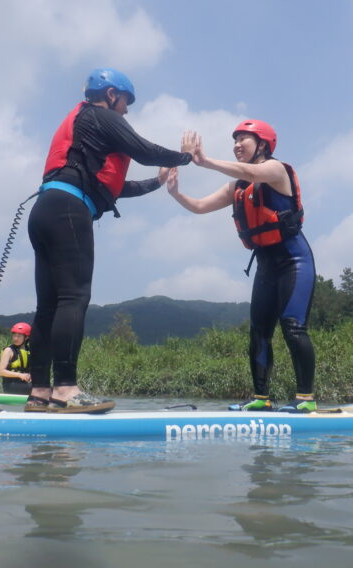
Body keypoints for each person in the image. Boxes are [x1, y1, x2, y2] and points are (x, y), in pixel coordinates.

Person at [25, 67, 195, 413]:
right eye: (126, 102)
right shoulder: (100, 115)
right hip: (69, 212)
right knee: (74, 297)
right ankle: (67, 390)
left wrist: (156, 184)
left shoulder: (84, 127)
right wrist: (186, 158)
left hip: (46, 209)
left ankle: (39, 392)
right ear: (112, 95)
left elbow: (112, 188)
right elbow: (145, 150)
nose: (127, 111)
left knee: (48, 306)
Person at [167, 121, 317, 413]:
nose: (237, 145)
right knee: (259, 331)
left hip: (294, 262)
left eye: (243, 139)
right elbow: (199, 206)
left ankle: (306, 399)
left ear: (262, 145)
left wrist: (205, 161)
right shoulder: (236, 187)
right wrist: (175, 193)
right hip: (266, 266)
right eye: (234, 140)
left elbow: (251, 172)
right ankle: (261, 398)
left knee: (293, 328)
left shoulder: (276, 170)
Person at [0, 322, 33, 395]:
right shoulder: (8, 350)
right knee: (36, 388)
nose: (15, 338)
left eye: (19, 336)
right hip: (11, 385)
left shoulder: (29, 351)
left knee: (44, 388)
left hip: (25, 384)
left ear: (26, 337)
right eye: (14, 335)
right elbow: (1, 371)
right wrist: (20, 375)